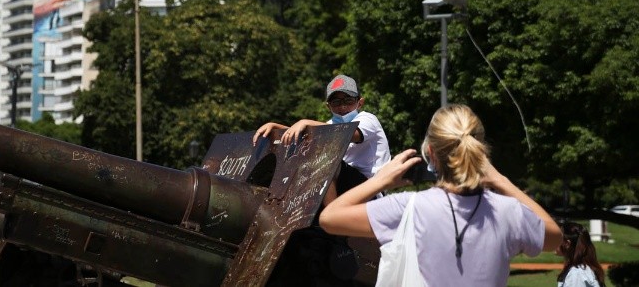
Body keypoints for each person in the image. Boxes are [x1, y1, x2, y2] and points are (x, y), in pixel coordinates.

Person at [319, 104, 563, 286]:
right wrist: (501, 180)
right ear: (479, 151)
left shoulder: (409, 208)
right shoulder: (508, 212)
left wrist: (380, 179)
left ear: (430, 153)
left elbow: (330, 218)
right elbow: (554, 237)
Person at [253, 74, 391, 203]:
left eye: (348, 100)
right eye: (336, 102)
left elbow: (347, 134)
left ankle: (332, 216)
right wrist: (276, 127)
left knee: (328, 160)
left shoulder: (367, 119)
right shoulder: (330, 126)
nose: (343, 106)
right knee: (304, 160)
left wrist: (305, 122)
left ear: (360, 103)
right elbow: (308, 134)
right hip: (346, 191)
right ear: (328, 106)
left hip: (371, 190)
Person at [556, 221, 605, 287]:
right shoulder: (579, 270)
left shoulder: (576, 274)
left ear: (567, 244)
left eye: (557, 238)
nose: (553, 242)